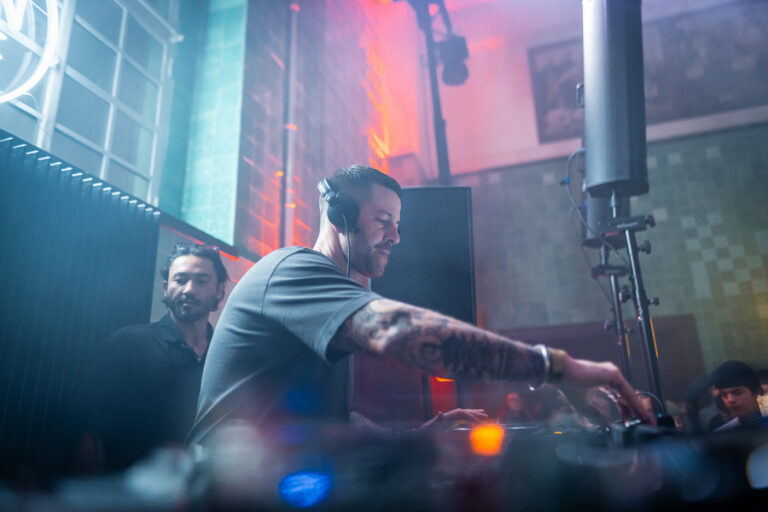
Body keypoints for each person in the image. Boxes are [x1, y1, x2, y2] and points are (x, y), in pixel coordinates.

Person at [189, 165, 653, 445]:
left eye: (398, 223)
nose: (395, 236)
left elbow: (337, 420)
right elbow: (398, 331)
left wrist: (419, 436)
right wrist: (555, 368)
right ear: (340, 217)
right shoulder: (291, 270)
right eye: (383, 220)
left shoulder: (327, 295)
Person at [77, 243, 227, 471]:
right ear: (166, 288)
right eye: (180, 280)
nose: (189, 289)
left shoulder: (225, 357)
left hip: (206, 485)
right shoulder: (127, 345)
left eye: (201, 281)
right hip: (132, 484)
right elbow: (87, 438)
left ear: (219, 290)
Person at [710, 360, 765, 432]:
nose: (730, 399)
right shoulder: (723, 433)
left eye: (737, 393)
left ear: (757, 392)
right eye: (724, 394)